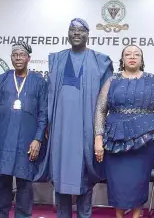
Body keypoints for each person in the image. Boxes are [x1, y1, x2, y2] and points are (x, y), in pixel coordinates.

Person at [35, 18, 114, 218]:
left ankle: (84, 215)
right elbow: (48, 95)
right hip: (60, 129)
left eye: (81, 30)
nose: (76, 33)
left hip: (86, 128)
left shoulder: (100, 61)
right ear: (67, 34)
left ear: (88, 35)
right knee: (60, 174)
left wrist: (100, 133)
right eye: (72, 30)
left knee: (84, 175)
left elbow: (106, 102)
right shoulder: (57, 59)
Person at [94, 45, 154, 218]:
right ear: (122, 59)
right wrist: (98, 138)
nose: (132, 57)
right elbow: (101, 110)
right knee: (117, 182)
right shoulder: (111, 81)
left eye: (136, 54)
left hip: (145, 139)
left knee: (139, 181)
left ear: (142, 59)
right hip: (114, 138)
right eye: (128, 54)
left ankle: (137, 215)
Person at [0, 41, 47, 218]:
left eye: (22, 54)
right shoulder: (1, 80)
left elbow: (43, 114)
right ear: (11, 58)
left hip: (27, 140)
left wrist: (38, 139)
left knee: (25, 181)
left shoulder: (39, 82)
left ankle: (23, 215)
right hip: (2, 138)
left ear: (29, 58)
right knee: (1, 179)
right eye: (15, 55)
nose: (18, 58)